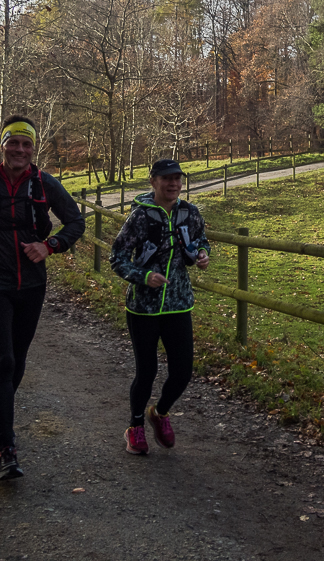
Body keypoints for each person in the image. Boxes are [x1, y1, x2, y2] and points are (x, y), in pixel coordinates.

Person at [0, 115, 84, 481]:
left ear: (33, 149)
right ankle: (6, 448)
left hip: (31, 283)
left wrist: (51, 245)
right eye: (14, 143)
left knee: (20, 358)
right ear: (3, 146)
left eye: (27, 144)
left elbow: (75, 221)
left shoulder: (44, 183)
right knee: (5, 359)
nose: (20, 150)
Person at [109, 158, 210, 455]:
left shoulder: (190, 213)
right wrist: (143, 277)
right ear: (153, 181)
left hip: (179, 304)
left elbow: (201, 241)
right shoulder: (140, 218)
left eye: (177, 179)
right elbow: (118, 258)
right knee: (147, 371)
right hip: (143, 307)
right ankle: (135, 426)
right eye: (167, 179)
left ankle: (160, 413)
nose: (173, 184)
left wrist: (202, 254)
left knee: (182, 372)